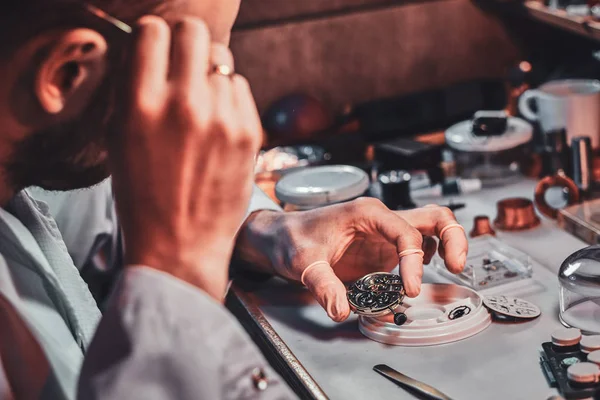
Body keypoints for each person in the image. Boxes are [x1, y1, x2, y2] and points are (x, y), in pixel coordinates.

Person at [0, 1, 469, 399]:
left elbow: (97, 210)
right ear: (65, 73)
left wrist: (266, 233)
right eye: (203, 69)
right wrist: (179, 272)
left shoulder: (21, 175)